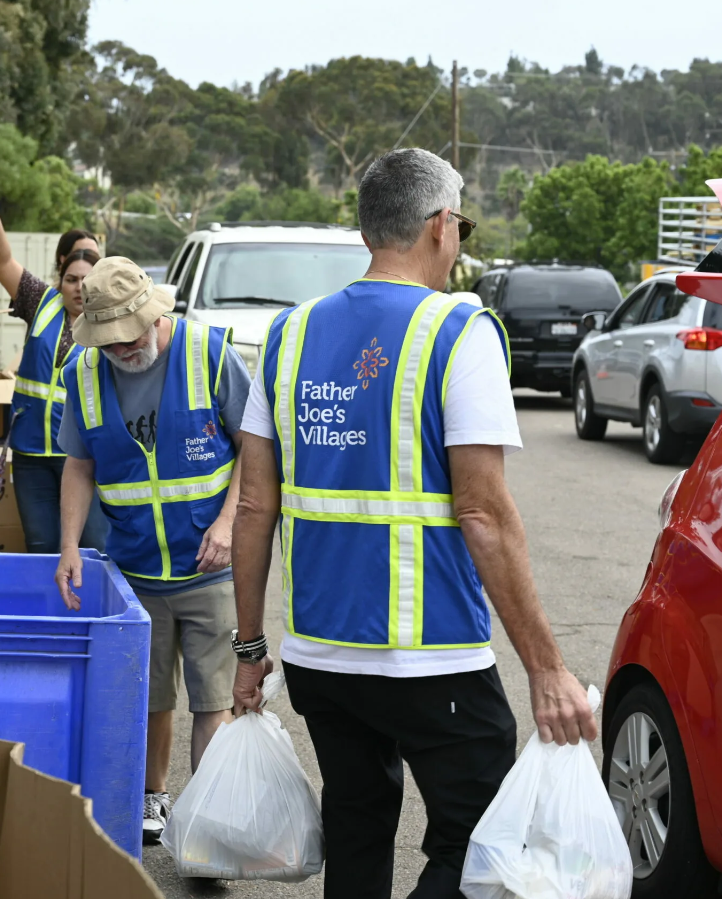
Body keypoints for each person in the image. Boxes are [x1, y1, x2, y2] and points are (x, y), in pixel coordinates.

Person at [230, 148, 596, 899]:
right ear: (438, 226)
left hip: (322, 659)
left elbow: (253, 506)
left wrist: (249, 648)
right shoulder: (460, 332)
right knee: (481, 843)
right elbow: (484, 513)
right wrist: (548, 668)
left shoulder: (289, 336)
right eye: (459, 221)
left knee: (358, 833)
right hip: (431, 658)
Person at [53, 257, 253, 844]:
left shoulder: (210, 353)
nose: (123, 350)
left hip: (210, 565)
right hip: (137, 566)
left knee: (214, 696)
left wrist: (226, 523)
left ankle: (211, 817)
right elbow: (79, 464)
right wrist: (68, 545)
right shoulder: (83, 373)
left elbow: (253, 448)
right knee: (150, 697)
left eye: (131, 337)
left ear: (155, 314)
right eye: (109, 342)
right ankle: (153, 800)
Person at [0, 193, 108, 554]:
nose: (79, 288)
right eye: (72, 279)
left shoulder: (113, 327)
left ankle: (90, 610)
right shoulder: (41, 303)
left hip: (83, 456)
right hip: (31, 455)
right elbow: (2, 262)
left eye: (88, 281)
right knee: (42, 545)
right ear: (60, 281)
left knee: (92, 546)